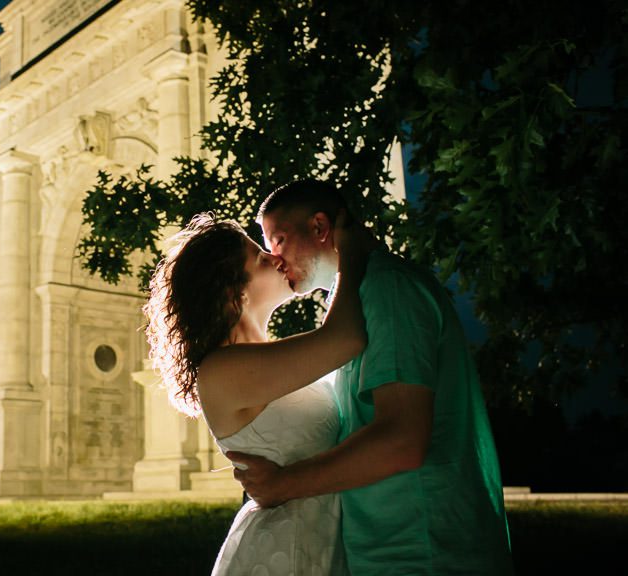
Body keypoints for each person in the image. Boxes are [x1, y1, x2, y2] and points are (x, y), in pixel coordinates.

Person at [228, 179, 514, 575]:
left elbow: (402, 440)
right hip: (389, 549)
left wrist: (282, 484)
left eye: (278, 239)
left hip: (426, 549)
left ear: (319, 227)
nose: (275, 257)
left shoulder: (388, 290)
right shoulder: (358, 299)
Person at [144, 212, 369, 575]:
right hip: (290, 548)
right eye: (262, 259)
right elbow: (347, 338)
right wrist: (351, 254)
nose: (276, 258)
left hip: (322, 536)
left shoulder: (263, 360)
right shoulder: (222, 371)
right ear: (235, 289)